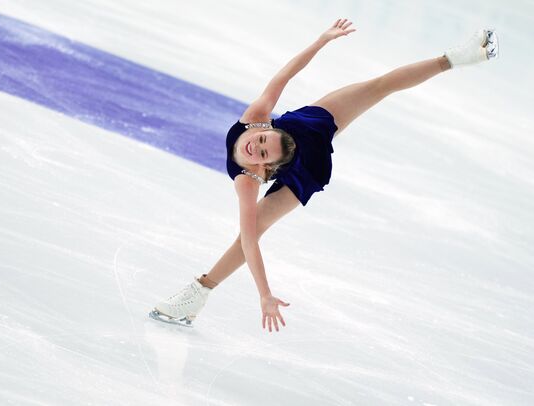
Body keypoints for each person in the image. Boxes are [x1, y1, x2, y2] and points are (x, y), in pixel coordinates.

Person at [150, 19, 499, 331]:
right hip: (299, 145)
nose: (254, 147)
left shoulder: (254, 166)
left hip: (308, 134)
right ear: (262, 129)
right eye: (259, 142)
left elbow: (248, 238)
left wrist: (265, 294)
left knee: (378, 86)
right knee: (255, 227)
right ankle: (199, 292)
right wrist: (321, 40)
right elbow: (284, 75)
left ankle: (457, 57)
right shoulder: (254, 133)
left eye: (262, 150)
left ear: (266, 164)